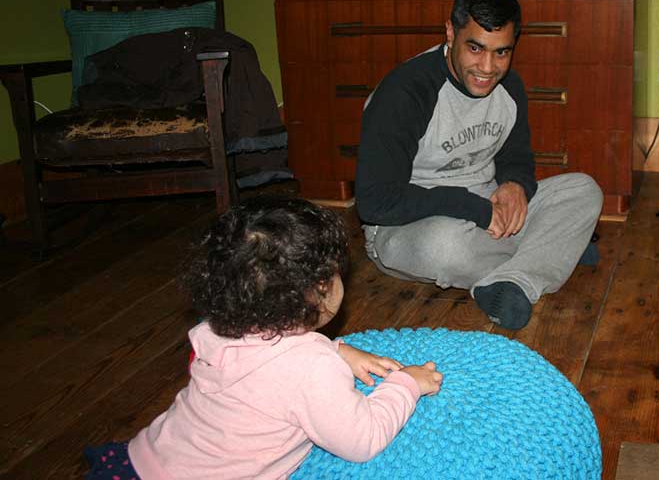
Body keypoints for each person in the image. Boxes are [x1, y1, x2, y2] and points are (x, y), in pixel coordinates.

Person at [84, 196, 443, 480]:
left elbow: (264, 368)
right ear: (321, 288)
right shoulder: (309, 370)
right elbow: (362, 440)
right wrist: (405, 384)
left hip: (143, 459)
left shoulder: (215, 329)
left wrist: (339, 350)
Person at [355, 0, 603, 331]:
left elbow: (516, 157)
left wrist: (516, 184)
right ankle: (554, 254)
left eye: (502, 52)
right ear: (450, 32)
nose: (488, 67)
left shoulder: (509, 87)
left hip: (486, 209)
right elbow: (375, 202)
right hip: (411, 223)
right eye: (475, 48)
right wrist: (474, 208)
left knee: (583, 190)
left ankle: (520, 275)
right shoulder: (405, 92)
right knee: (445, 246)